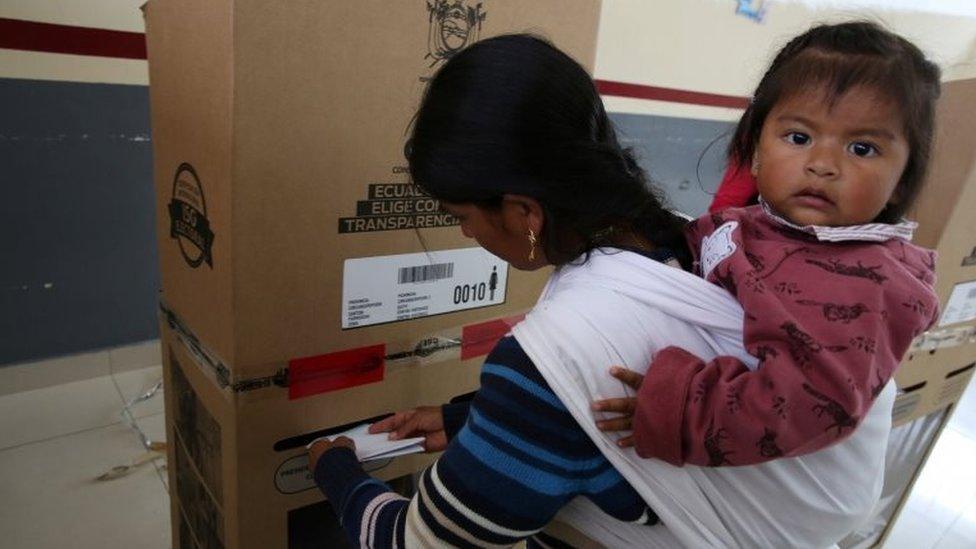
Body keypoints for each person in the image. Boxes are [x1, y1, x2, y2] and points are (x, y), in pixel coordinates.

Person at [308, 33, 899, 547]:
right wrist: (473, 420)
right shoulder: (689, 246)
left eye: (461, 215)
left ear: (524, 213)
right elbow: (586, 426)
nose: (465, 233)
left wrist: (333, 468)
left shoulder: (548, 361)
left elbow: (416, 541)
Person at [593, 21, 941, 468]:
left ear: (901, 182)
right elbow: (695, 246)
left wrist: (677, 410)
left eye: (862, 148)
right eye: (799, 138)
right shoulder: (762, 223)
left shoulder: (865, 285)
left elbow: (806, 407)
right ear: (756, 152)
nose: (822, 164)